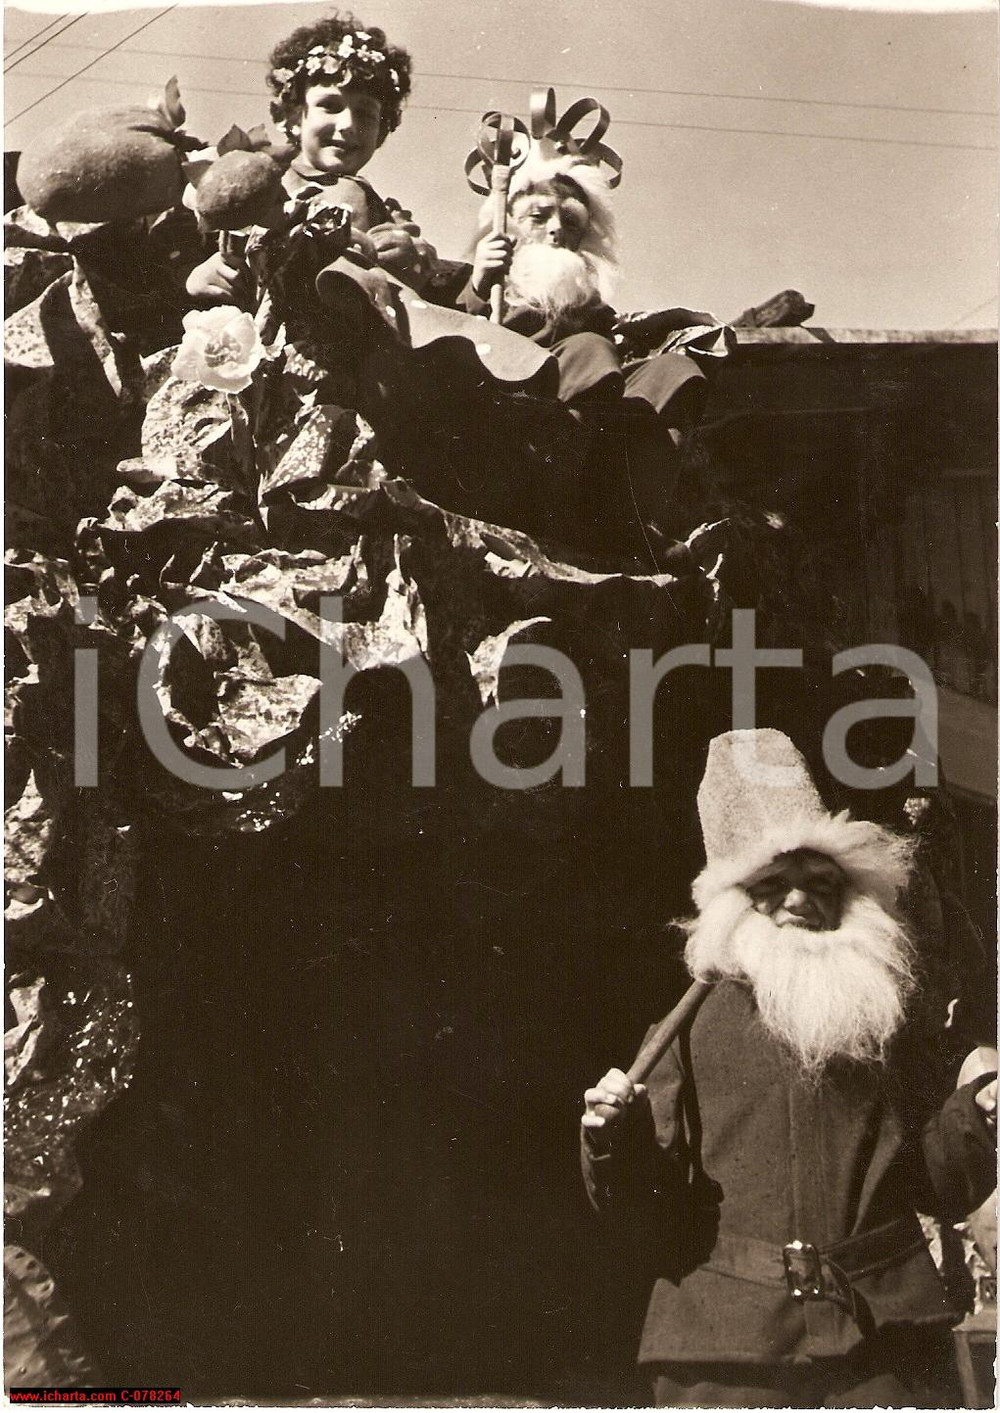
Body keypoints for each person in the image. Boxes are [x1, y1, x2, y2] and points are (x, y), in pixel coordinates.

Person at [581, 728, 997, 1408]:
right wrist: (610, 1138)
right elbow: (644, 1213)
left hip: (882, 1348)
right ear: (733, 901)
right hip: (726, 1355)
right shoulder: (683, 1033)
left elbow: (933, 1184)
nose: (800, 901)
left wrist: (975, 1116)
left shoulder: (886, 1017)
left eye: (821, 883)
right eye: (773, 885)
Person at [464, 152, 720, 559]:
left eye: (570, 221)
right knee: (591, 350)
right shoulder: (480, 282)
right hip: (511, 418)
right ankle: (558, 510)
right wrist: (479, 287)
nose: (556, 229)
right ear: (509, 224)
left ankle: (628, 516)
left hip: (588, 408)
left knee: (674, 373)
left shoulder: (589, 307)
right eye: (538, 217)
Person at [186, 12, 436, 303]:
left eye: (365, 114)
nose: (348, 124)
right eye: (330, 106)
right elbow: (206, 243)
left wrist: (406, 256)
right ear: (292, 116)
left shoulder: (380, 210)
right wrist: (201, 275)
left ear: (381, 130)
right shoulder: (260, 181)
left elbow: (419, 275)